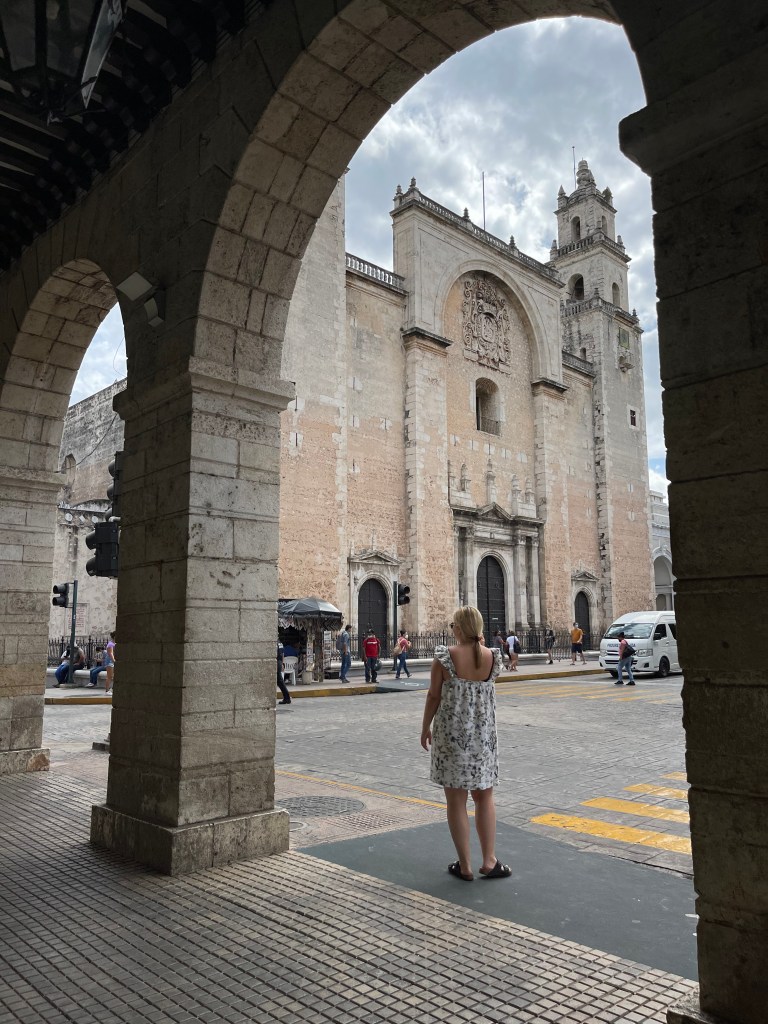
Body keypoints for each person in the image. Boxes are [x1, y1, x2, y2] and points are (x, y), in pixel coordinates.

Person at [421, 606, 511, 882]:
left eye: (453, 626)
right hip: (483, 738)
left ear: (458, 628)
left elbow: (434, 696)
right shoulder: (493, 658)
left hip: (452, 737)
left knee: (456, 800)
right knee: (484, 797)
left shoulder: (445, 657)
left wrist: (425, 728)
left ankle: (465, 865)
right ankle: (490, 860)